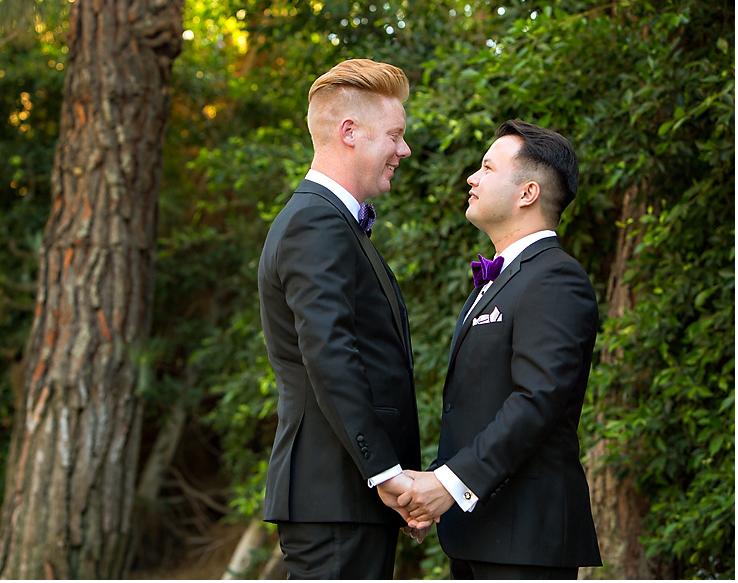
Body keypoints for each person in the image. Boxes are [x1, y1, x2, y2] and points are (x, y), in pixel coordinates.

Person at [394, 120, 603, 579]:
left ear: (527, 193)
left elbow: (537, 401)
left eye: (487, 167)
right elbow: (474, 408)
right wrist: (432, 490)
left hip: (524, 539)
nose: (472, 177)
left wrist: (448, 485)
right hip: (479, 532)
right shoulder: (498, 281)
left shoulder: (555, 278)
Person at [257, 58, 424, 579]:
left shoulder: (329, 223)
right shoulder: (315, 222)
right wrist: (386, 473)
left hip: (344, 498)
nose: (404, 150)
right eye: (395, 135)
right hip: (335, 496)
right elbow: (330, 354)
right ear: (349, 132)